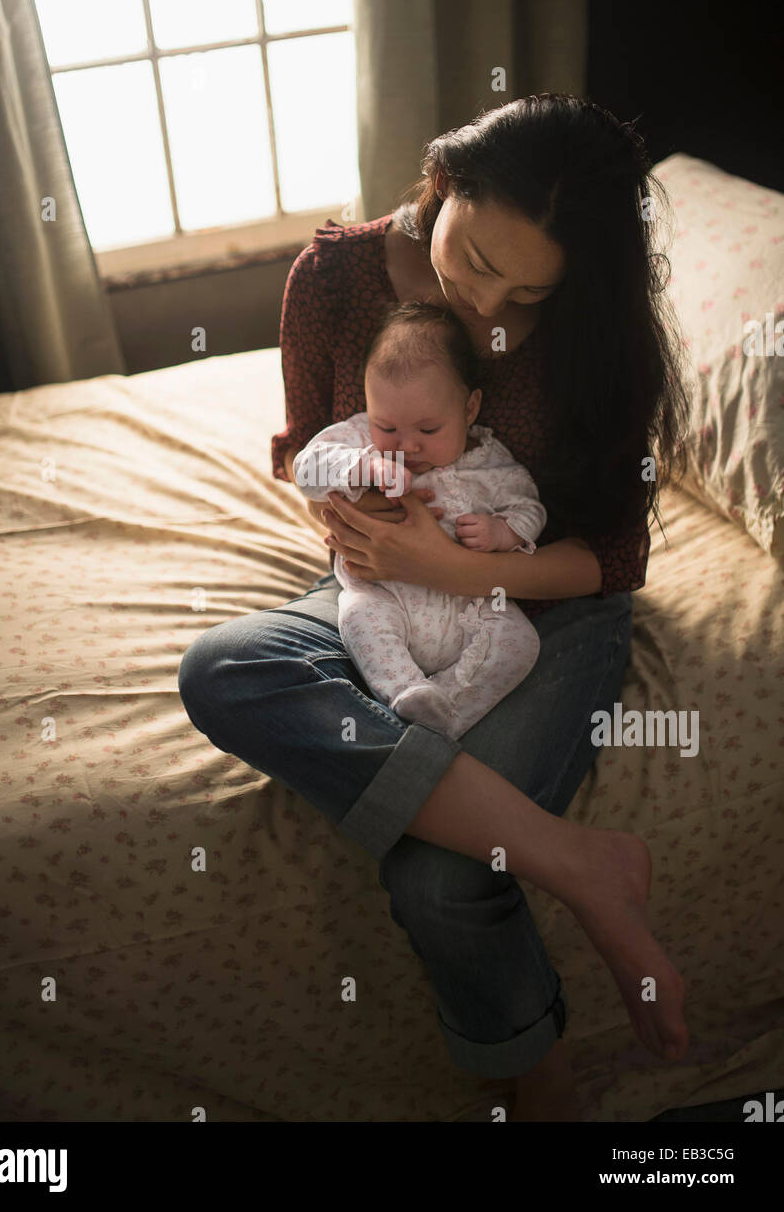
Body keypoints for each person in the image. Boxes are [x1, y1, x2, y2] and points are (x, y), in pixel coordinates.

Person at [179, 93, 691, 1121]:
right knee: (224, 668)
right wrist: (355, 507)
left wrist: (470, 568)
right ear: (443, 182)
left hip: (544, 605)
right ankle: (583, 867)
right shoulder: (334, 278)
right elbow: (306, 452)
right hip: (383, 583)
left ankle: (543, 1089)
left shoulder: (595, 329)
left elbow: (614, 553)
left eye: (523, 293)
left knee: (443, 879)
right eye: (475, 261)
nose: (485, 308)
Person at [293, 300, 546, 739]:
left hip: (470, 605)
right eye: (386, 426)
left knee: (520, 643)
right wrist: (363, 467)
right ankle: (404, 691)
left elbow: (531, 507)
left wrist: (503, 531)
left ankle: (447, 709)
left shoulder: (489, 462)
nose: (405, 445)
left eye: (429, 430)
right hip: (384, 593)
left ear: (469, 410)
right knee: (356, 616)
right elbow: (306, 469)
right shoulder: (356, 441)